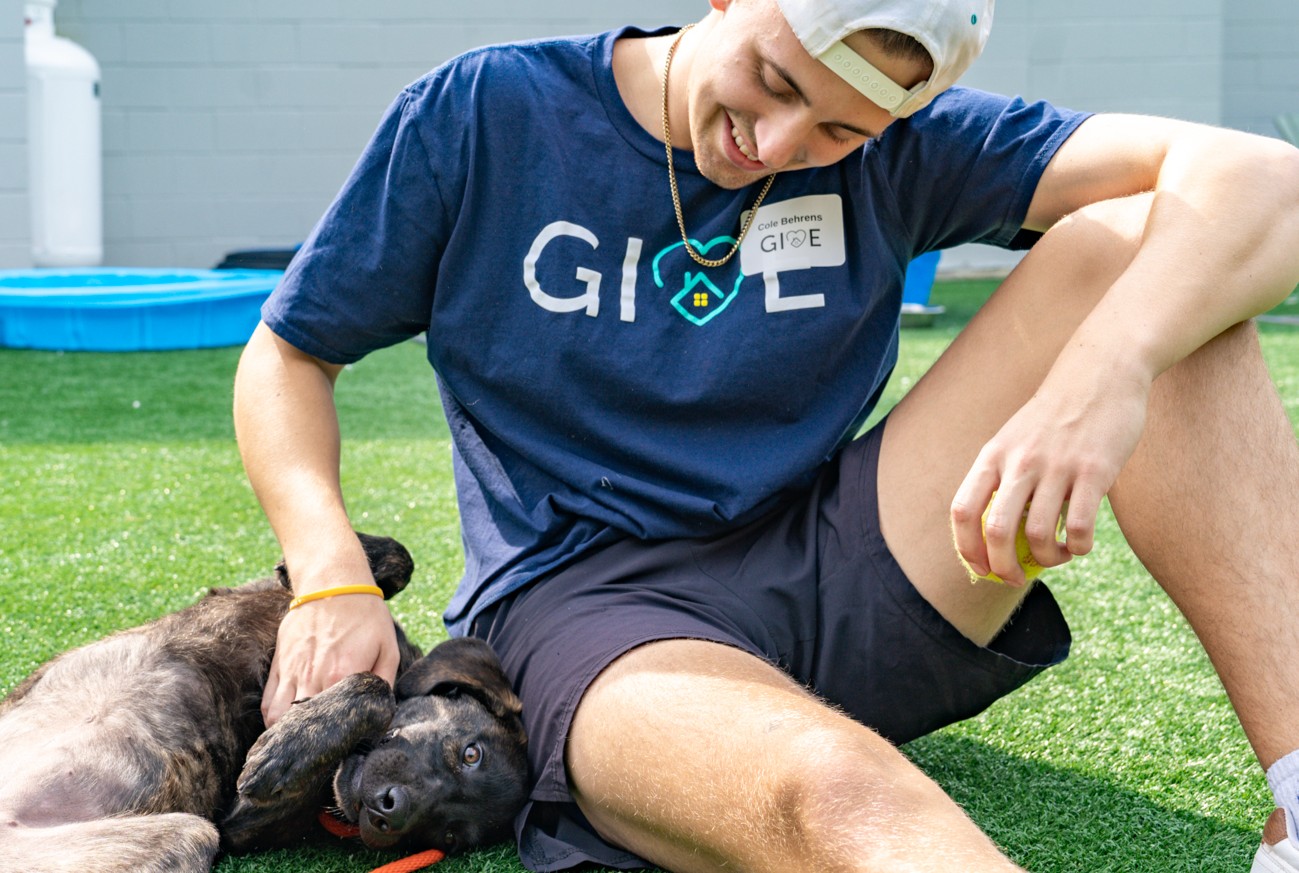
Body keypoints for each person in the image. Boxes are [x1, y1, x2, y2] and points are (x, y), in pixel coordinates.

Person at [232, 0, 1299, 869]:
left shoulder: (915, 145)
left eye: (840, 131)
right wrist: (331, 574)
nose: (780, 144)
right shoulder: (489, 112)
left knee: (1149, 261)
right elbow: (290, 352)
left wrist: (1102, 383)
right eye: (778, 82)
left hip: (846, 558)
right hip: (589, 610)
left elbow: (1269, 181)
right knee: (837, 792)